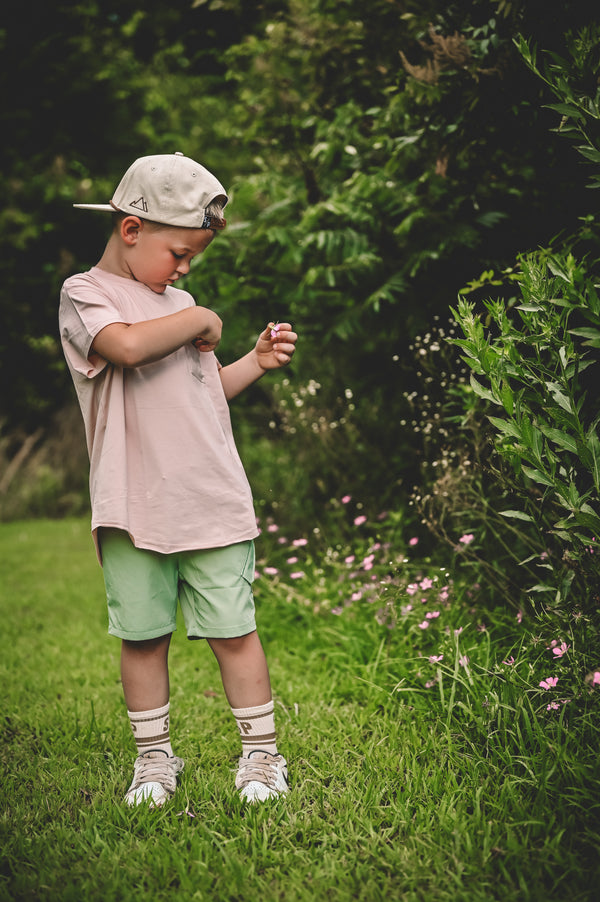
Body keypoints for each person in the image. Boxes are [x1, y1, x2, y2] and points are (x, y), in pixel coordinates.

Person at [59, 152, 297, 808]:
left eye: (194, 257)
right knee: (142, 635)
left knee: (233, 629)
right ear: (131, 230)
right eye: (181, 252)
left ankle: (261, 755)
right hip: (133, 503)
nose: (187, 270)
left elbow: (201, 395)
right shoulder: (87, 295)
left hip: (209, 495)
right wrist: (201, 320)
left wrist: (252, 359)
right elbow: (128, 349)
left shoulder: (179, 302)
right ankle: (155, 760)